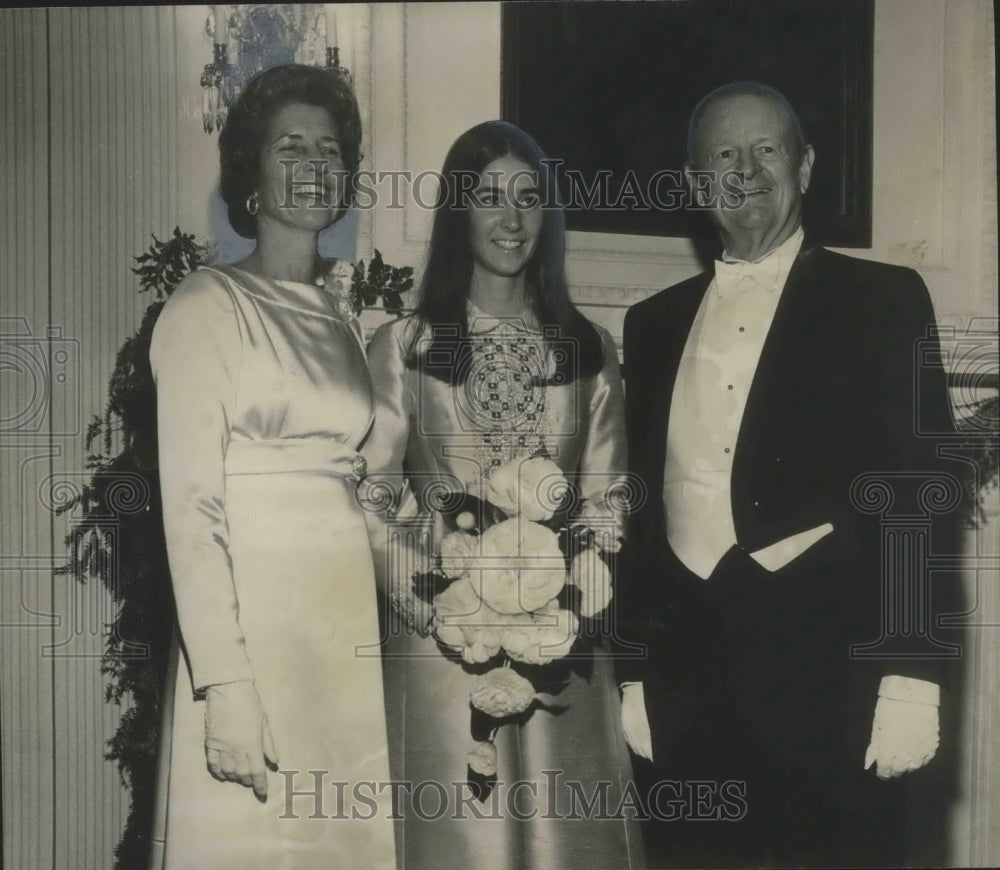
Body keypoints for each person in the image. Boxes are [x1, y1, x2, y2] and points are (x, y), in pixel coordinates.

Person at [617, 81, 961, 868]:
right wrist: (632, 674)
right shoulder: (652, 322)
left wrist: (913, 675)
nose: (745, 169)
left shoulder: (884, 300)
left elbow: (920, 492)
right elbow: (638, 508)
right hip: (686, 686)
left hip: (829, 685)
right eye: (722, 156)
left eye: (765, 148)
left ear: (803, 167)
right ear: (697, 182)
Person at [362, 120, 643, 869]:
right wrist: (430, 585)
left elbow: (606, 497)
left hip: (562, 646)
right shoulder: (406, 347)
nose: (511, 218)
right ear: (458, 212)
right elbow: (372, 496)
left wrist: (576, 588)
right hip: (440, 643)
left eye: (528, 198)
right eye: (489, 197)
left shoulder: (588, 351)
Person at [149, 64, 395, 870]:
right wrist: (224, 686)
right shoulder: (204, 305)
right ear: (251, 170)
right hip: (254, 635)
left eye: (330, 148)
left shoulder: (343, 319)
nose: (314, 163)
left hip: (341, 629)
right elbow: (191, 510)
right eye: (291, 146)